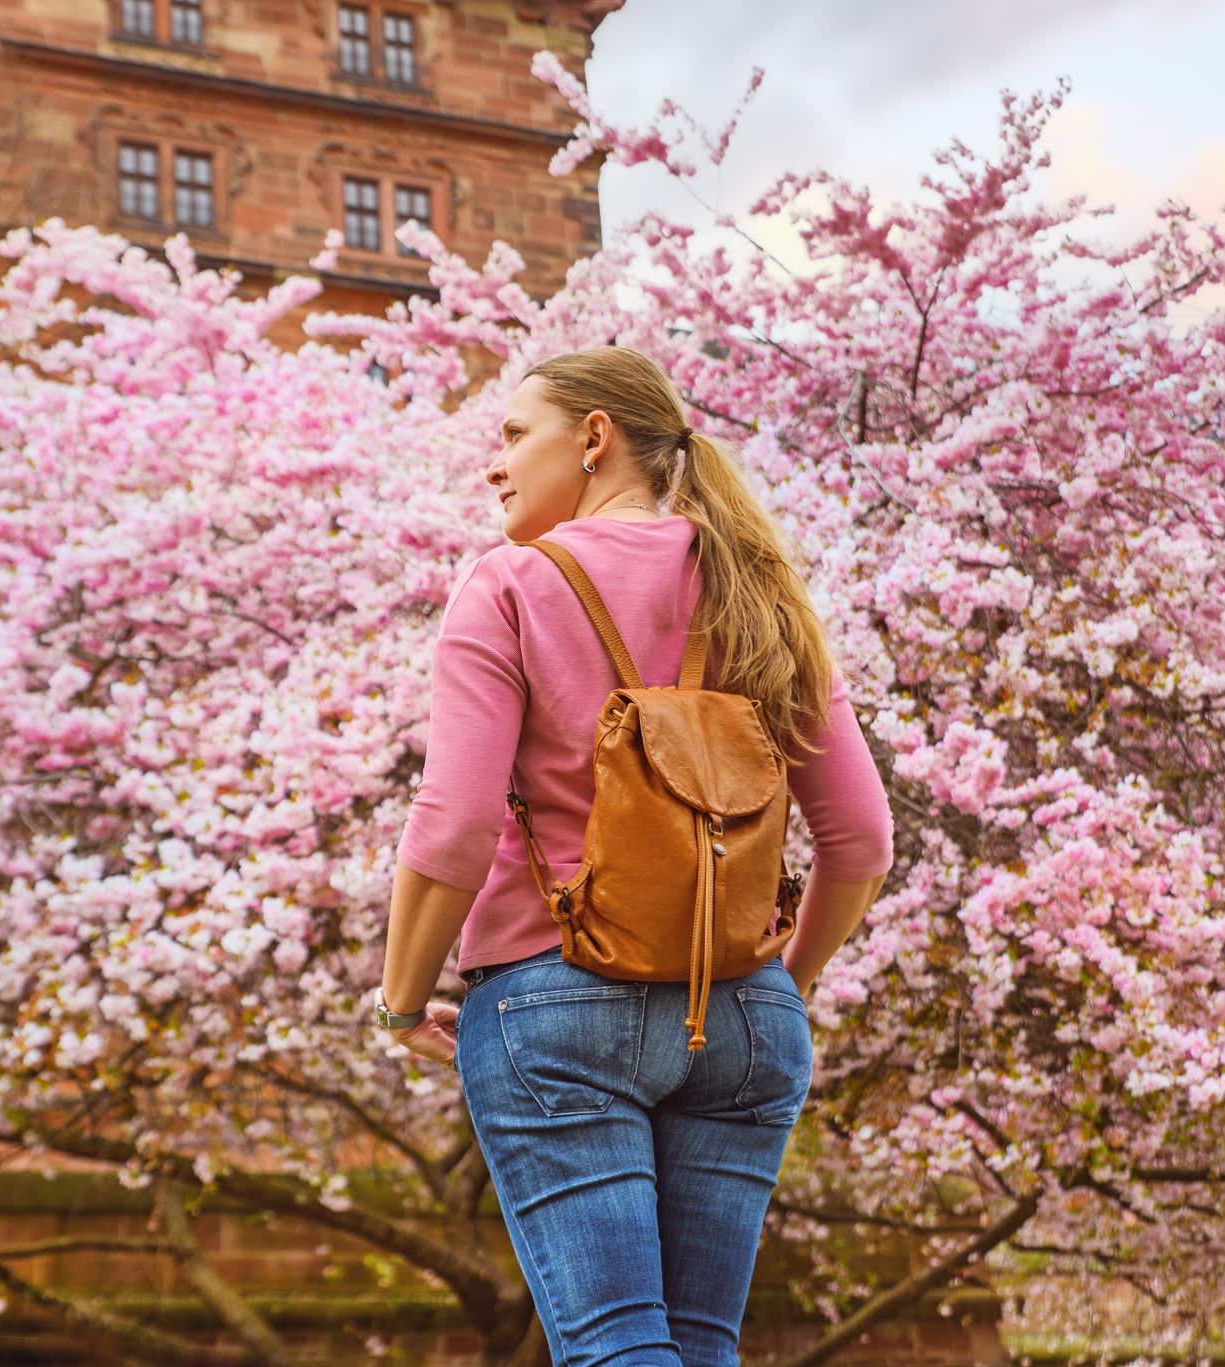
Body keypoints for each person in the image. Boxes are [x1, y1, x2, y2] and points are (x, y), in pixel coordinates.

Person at [376, 345, 895, 1366]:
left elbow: (453, 823)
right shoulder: (760, 587)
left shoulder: (511, 584)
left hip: (553, 1003)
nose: (496, 463)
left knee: (616, 1348)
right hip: (742, 1011)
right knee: (697, 1349)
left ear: (595, 437)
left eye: (515, 434)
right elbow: (861, 837)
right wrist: (776, 989)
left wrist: (399, 1000)